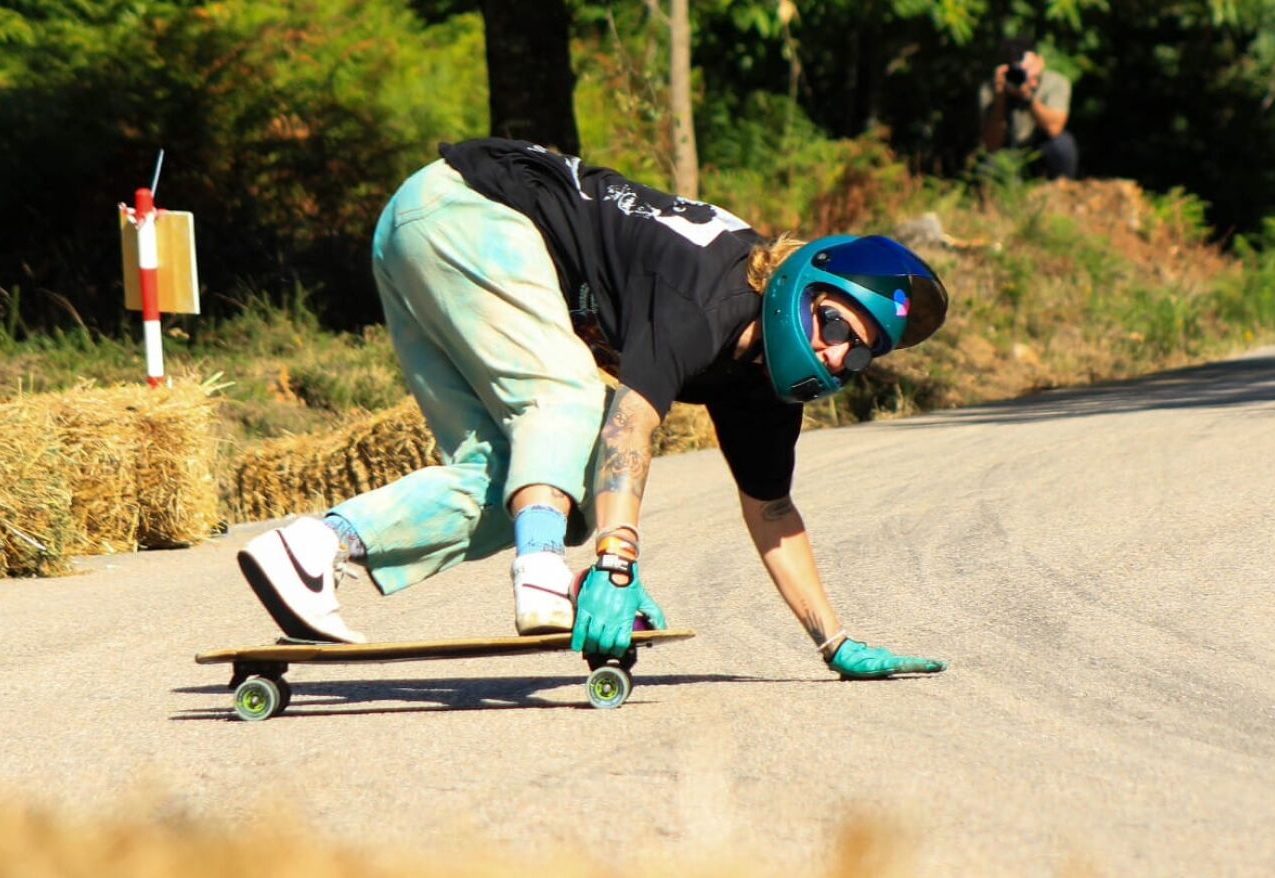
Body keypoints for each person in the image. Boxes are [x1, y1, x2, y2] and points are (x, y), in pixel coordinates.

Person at [235, 138, 949, 679]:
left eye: (859, 355)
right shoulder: (711, 296)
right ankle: (543, 571)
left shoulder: (762, 385)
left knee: (517, 478)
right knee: (573, 396)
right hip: (469, 207)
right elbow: (630, 424)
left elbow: (772, 513)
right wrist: (616, 564)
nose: (836, 357)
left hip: (419, 233)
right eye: (835, 325)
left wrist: (834, 641)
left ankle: (314, 549)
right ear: (801, 284)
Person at [978, 36, 1078, 179]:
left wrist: (1028, 98)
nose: (1026, 74)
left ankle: (1062, 186)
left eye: (1029, 67)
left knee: (1061, 144)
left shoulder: (1056, 83)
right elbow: (991, 144)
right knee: (988, 166)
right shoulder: (991, 89)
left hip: (1040, 153)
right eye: (1019, 70)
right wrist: (1000, 99)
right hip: (1009, 155)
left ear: (1040, 61)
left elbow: (1054, 129)